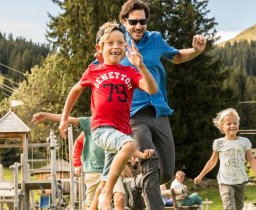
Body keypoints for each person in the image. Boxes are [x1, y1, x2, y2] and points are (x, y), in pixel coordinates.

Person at [110, 1, 207, 209]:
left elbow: (177, 57)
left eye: (142, 21)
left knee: (167, 172)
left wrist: (196, 50)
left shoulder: (155, 39)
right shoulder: (118, 42)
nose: (138, 26)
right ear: (124, 21)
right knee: (150, 163)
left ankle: (135, 184)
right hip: (133, 115)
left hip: (159, 111)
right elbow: (103, 66)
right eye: (133, 21)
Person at [58, 21, 158, 210]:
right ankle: (106, 193)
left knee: (105, 179)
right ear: (99, 48)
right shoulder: (94, 70)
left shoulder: (130, 71)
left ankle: (96, 202)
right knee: (129, 145)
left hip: (121, 131)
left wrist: (141, 66)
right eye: (110, 43)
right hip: (102, 129)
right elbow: (75, 90)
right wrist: (64, 117)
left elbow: (152, 89)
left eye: (121, 43)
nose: (116, 47)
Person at [194, 108, 256, 210]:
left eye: (235, 123)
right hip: (225, 181)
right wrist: (201, 175)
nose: (232, 126)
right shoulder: (219, 143)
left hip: (240, 181)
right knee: (229, 207)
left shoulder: (244, 142)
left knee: (238, 207)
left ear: (238, 125)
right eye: (229, 123)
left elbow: (251, 159)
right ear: (221, 126)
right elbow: (213, 161)